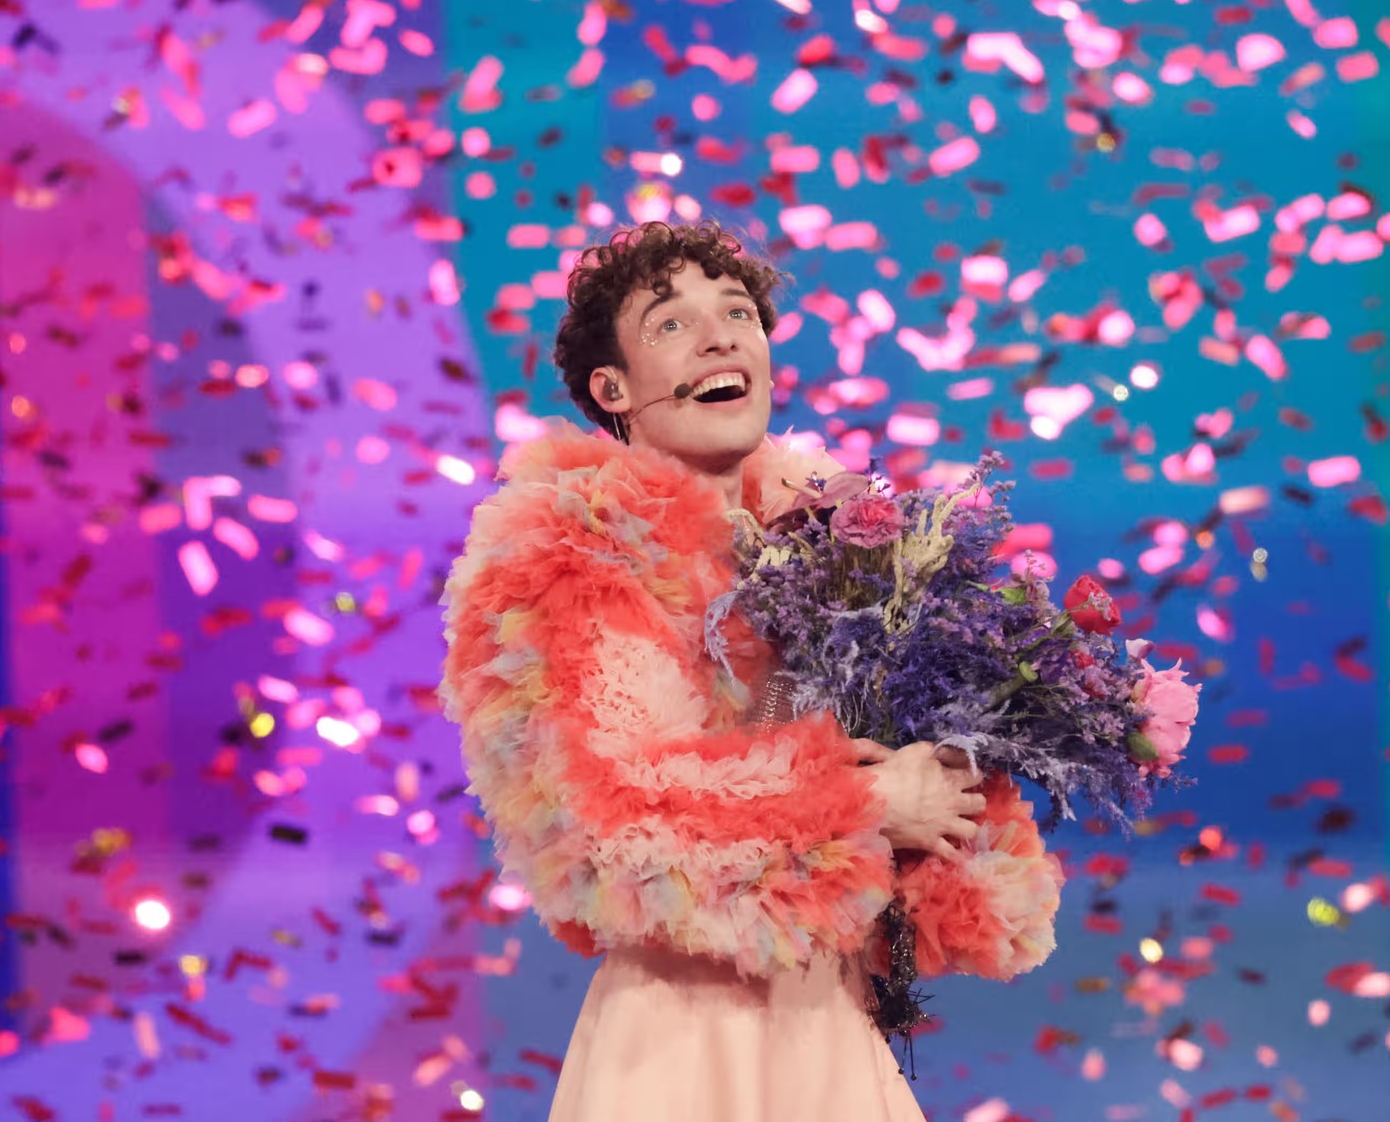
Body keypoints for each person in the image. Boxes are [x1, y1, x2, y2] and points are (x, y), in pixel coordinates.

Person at [439, 221, 1063, 1121]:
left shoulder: (838, 556)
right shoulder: (573, 553)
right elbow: (613, 811)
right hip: (687, 1042)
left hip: (832, 1023)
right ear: (614, 389)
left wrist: (956, 768)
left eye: (738, 314)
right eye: (670, 324)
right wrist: (868, 801)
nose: (719, 337)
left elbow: (887, 780)